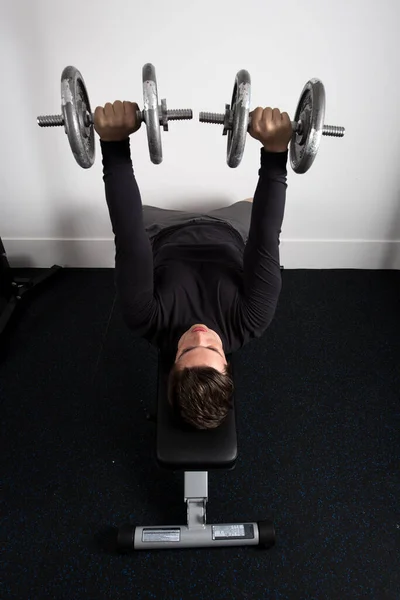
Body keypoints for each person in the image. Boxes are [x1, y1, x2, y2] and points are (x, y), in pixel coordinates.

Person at [94, 100, 292, 431]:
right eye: (212, 347)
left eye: (187, 349)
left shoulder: (145, 318)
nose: (200, 335)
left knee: (130, 213)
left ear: (172, 363)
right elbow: (265, 238)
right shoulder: (252, 318)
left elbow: (130, 239)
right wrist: (275, 151)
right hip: (229, 228)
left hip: (161, 230)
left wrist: (114, 144)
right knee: (259, 205)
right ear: (227, 363)